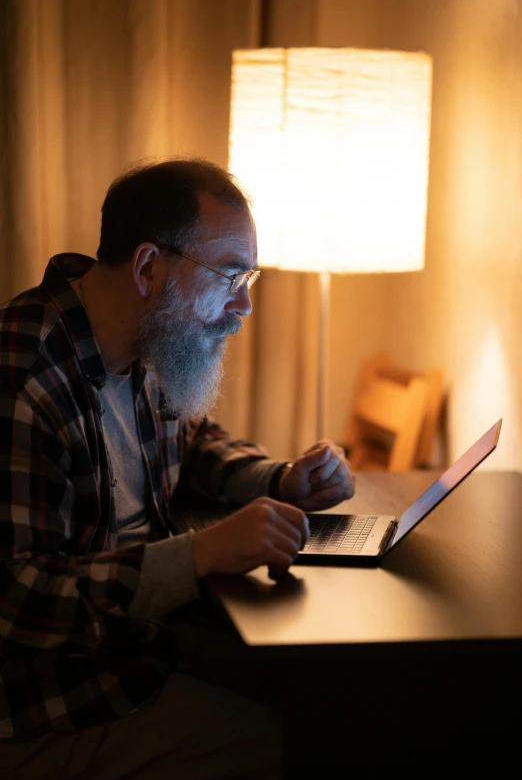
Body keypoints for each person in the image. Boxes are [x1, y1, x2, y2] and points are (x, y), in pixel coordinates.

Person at [0, 158, 355, 778]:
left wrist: (279, 478)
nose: (244, 304)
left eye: (250, 276)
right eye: (228, 274)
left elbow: (189, 440)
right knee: (294, 742)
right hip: (50, 701)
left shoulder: (140, 338)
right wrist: (198, 556)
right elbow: (17, 597)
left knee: (335, 689)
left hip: (135, 645)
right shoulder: (25, 378)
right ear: (147, 267)